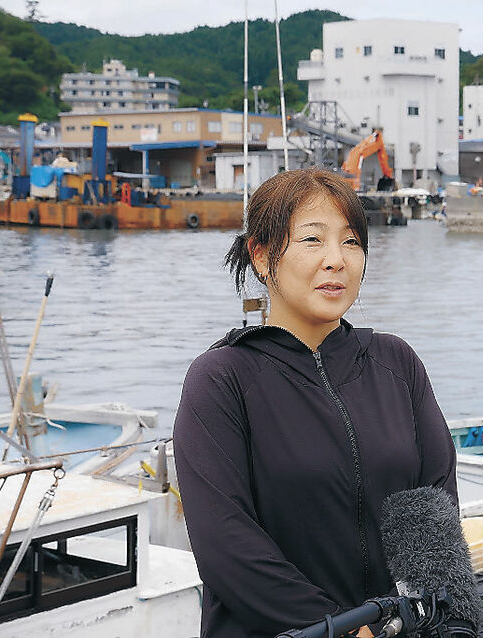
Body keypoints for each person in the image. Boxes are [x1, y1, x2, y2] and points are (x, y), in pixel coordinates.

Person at [173, 169, 456, 638]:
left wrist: (436, 620)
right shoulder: (223, 379)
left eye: (350, 242)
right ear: (262, 258)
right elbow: (225, 542)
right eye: (312, 240)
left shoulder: (396, 363)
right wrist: (338, 628)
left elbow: (435, 505)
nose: (336, 260)